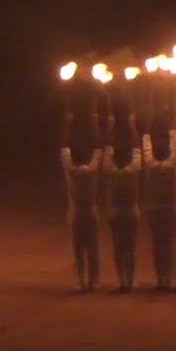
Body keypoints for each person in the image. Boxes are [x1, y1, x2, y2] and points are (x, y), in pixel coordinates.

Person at [144, 108, 176, 290]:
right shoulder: (170, 162)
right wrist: (174, 125)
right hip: (168, 204)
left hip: (154, 205)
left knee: (157, 242)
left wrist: (147, 128)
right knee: (168, 241)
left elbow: (146, 145)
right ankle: (168, 276)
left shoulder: (150, 162)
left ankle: (161, 277)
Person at [60, 111, 102, 292]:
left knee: (78, 248)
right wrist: (94, 125)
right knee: (92, 248)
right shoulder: (91, 168)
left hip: (76, 211)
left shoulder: (71, 169)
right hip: (89, 210)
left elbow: (64, 149)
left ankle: (80, 280)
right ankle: (93, 281)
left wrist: (67, 125)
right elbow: (99, 149)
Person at [103, 113, 143, 291]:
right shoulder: (133, 169)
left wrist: (112, 128)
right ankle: (130, 279)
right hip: (130, 211)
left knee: (119, 247)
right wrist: (133, 126)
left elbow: (108, 149)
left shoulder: (111, 169)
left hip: (116, 211)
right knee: (130, 246)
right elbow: (136, 149)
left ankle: (122, 279)